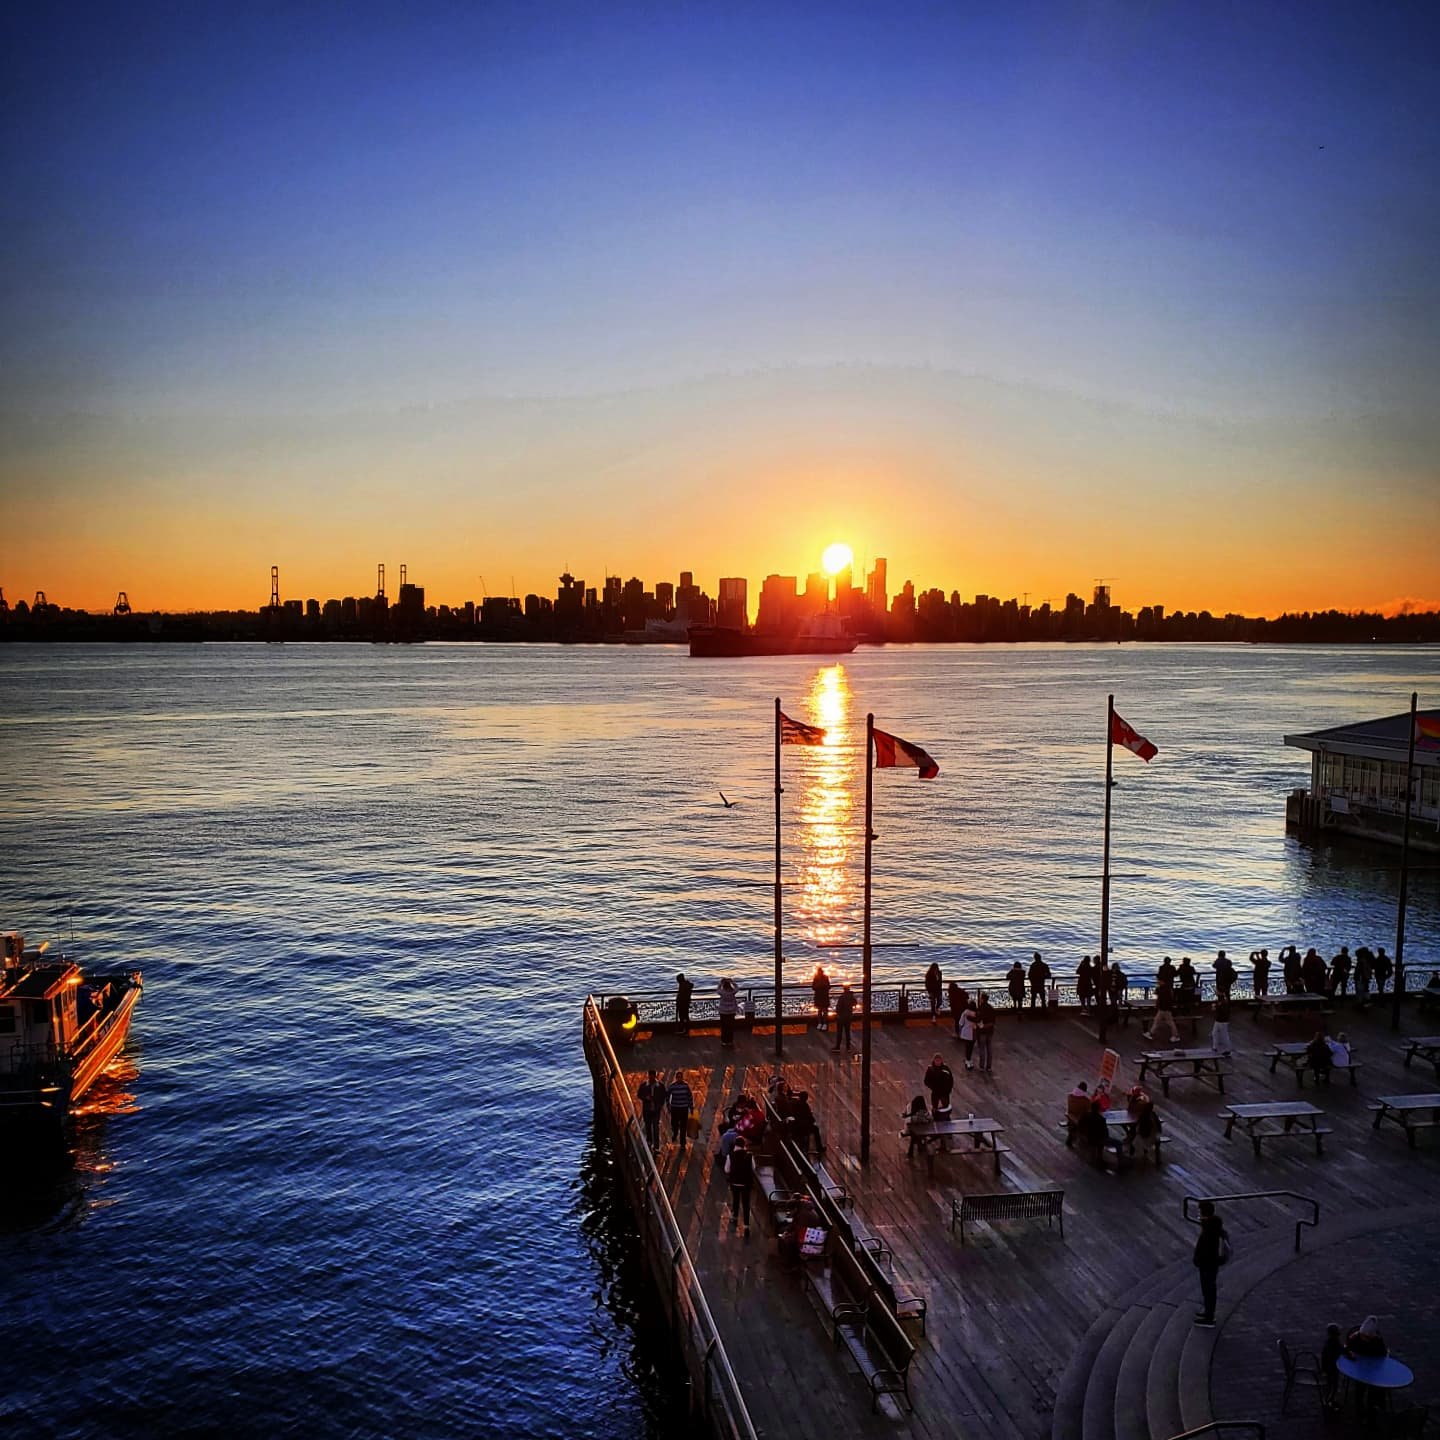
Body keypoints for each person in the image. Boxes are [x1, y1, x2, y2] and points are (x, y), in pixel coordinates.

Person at [1192, 1199, 1229, 1327]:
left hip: (1207, 1263)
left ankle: (1209, 1317)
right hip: (1211, 1263)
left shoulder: (1209, 1228)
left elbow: (1205, 1248)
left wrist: (1198, 1259)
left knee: (1208, 1289)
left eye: (1200, 1212)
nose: (1199, 1214)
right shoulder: (1215, 1226)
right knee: (1209, 1289)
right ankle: (1208, 1312)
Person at [725, 1135, 755, 1235]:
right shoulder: (749, 1155)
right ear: (744, 1145)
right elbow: (753, 1168)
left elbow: (727, 1169)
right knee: (746, 1204)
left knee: (736, 1200)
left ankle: (735, 1217)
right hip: (746, 1184)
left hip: (735, 1182)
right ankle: (746, 1226)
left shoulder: (730, 1155)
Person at [1144, 972, 1180, 1046]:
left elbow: (1161, 997)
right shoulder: (1166, 988)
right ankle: (1151, 1033)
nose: (1157, 981)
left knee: (1169, 1022)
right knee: (1157, 1020)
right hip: (1164, 1007)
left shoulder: (1163, 989)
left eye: (1158, 980)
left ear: (1162, 981)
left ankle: (1175, 1035)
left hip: (1165, 1008)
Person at [637, 1069, 665, 1150]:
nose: (652, 1077)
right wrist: (645, 1098)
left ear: (655, 1075)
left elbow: (663, 1096)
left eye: (653, 1075)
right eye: (650, 1076)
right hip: (647, 1110)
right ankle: (649, 1141)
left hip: (656, 1110)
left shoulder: (660, 1085)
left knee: (656, 1127)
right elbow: (639, 1095)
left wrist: (660, 1105)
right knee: (648, 1126)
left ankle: (656, 1146)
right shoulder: (644, 1085)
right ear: (648, 1076)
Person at [667, 1070, 694, 1149]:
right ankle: (675, 1133)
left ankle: (683, 1143)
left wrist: (691, 1107)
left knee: (683, 1126)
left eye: (680, 1077)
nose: (679, 1079)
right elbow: (667, 1095)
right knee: (674, 1124)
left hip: (683, 1108)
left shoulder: (686, 1086)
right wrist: (668, 1105)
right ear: (676, 1078)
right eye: (678, 1077)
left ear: (682, 1078)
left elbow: (690, 1097)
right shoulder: (672, 1086)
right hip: (675, 1108)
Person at [1320, 1323, 1343, 1408]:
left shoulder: (1329, 1342)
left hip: (1328, 1367)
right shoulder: (1335, 1343)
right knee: (1333, 1385)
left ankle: (1329, 1399)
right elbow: (1340, 1351)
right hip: (1332, 1368)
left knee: (1331, 1384)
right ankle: (1330, 1400)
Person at [975, 992, 997, 1072]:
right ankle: (989, 1066)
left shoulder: (981, 1008)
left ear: (982, 999)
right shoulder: (991, 1008)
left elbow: (978, 1019)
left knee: (982, 1049)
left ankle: (981, 1066)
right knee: (989, 1048)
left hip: (982, 1032)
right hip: (990, 1031)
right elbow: (993, 1021)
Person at [1065, 1081, 1090, 1146]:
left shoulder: (1070, 1096)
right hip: (1079, 1118)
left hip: (1071, 1115)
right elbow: (1089, 1110)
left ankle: (1072, 1135)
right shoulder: (1085, 1100)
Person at [832, 984, 855, 1051]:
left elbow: (838, 1007)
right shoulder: (851, 997)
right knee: (847, 1032)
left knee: (839, 1032)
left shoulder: (842, 997)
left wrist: (837, 1013)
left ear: (844, 989)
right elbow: (855, 1003)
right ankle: (848, 1047)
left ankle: (838, 1047)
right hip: (849, 1016)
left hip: (841, 1017)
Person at [718, 977, 739, 1049]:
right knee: (730, 1026)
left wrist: (721, 983)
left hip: (723, 1011)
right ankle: (730, 1041)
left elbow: (717, 989)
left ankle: (724, 1041)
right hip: (732, 1011)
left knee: (724, 1027)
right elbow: (737, 988)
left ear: (723, 986)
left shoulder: (722, 992)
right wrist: (732, 982)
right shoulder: (732, 992)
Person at [958, 997, 979, 1069]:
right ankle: (969, 1060)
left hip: (965, 1032)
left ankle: (968, 1060)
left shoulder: (965, 1012)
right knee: (971, 1047)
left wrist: (960, 1031)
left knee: (967, 1047)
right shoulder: (976, 1013)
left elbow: (961, 1022)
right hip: (973, 1033)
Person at [811, 966, 831, 1031]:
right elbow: (813, 987)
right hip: (819, 996)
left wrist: (823, 985)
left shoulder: (825, 977)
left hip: (823, 996)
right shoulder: (816, 978)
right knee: (820, 1011)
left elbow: (829, 986)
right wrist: (819, 985)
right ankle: (820, 1023)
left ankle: (824, 1023)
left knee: (824, 1011)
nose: (820, 973)